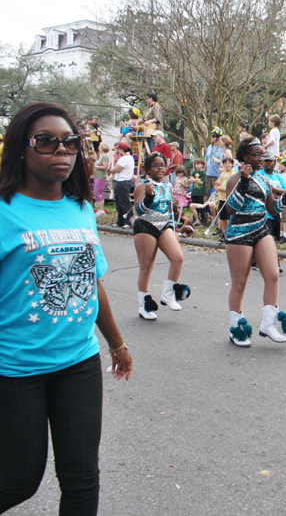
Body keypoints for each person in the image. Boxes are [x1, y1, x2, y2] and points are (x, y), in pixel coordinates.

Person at [0, 101, 132, 514]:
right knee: (19, 481)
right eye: (46, 141)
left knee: (81, 478)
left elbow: (92, 282)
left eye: (70, 142)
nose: (61, 149)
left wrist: (116, 344)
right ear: (21, 148)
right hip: (15, 370)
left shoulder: (80, 209)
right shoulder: (4, 211)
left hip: (79, 363)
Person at [224, 137, 286, 347]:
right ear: (244, 156)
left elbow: (272, 209)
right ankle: (236, 328)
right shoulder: (235, 178)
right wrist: (244, 181)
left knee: (273, 275)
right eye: (256, 155)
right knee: (240, 282)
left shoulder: (264, 180)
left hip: (261, 229)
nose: (260, 158)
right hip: (239, 234)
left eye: (262, 155)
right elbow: (230, 210)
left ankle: (268, 324)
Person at [132, 152, 189, 320]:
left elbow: (170, 211)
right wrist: (148, 197)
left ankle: (168, 294)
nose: (160, 168)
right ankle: (144, 306)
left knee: (178, 258)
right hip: (146, 226)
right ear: (148, 169)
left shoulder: (167, 186)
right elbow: (138, 211)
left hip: (164, 225)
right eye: (155, 165)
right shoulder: (142, 186)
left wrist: (174, 230)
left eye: (162, 165)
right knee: (146, 267)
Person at [109, 141, 135, 228]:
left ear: (121, 149)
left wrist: (111, 169)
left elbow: (115, 169)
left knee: (124, 202)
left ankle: (128, 221)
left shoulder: (124, 159)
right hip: (125, 181)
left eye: (118, 149)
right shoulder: (130, 157)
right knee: (119, 202)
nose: (117, 151)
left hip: (122, 181)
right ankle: (120, 221)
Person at [205, 129, 224, 198]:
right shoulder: (209, 147)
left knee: (216, 193)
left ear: (218, 138)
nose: (211, 137)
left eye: (213, 136)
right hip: (208, 174)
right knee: (207, 193)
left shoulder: (222, 149)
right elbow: (206, 159)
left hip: (217, 174)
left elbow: (224, 161)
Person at [93, 143, 111, 210]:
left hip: (101, 177)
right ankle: (100, 208)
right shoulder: (101, 157)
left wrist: (95, 166)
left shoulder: (104, 157)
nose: (98, 148)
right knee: (97, 192)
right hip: (97, 176)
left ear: (102, 148)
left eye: (99, 147)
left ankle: (101, 209)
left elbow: (105, 167)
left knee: (97, 191)